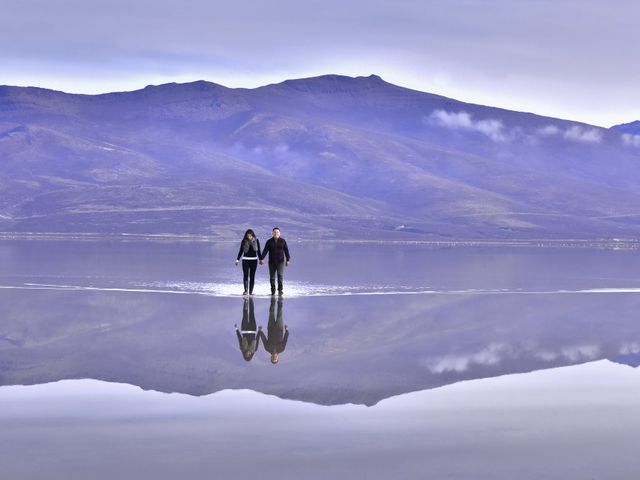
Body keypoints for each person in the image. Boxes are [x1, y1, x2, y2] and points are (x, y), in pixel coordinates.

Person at [259, 227, 290, 296]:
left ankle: (280, 290)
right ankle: (273, 290)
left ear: (280, 233)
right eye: (274, 232)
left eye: (277, 232)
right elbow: (265, 251)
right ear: (272, 233)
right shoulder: (269, 241)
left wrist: (287, 259)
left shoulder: (283, 241)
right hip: (271, 262)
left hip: (280, 262)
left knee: (280, 276)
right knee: (272, 278)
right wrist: (261, 258)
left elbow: (286, 251)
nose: (276, 233)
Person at [258, 296, 288, 364]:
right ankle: (280, 301)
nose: (274, 357)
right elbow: (285, 339)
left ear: (271, 358)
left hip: (270, 328)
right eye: (275, 359)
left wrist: (260, 331)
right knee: (279, 314)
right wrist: (286, 331)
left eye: (273, 359)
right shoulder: (281, 349)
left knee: (271, 312)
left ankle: (273, 300)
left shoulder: (267, 348)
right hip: (279, 328)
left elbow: (264, 340)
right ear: (278, 358)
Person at [235, 229, 261, 295]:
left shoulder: (256, 241)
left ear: (253, 235)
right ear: (246, 236)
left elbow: (258, 251)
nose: (249, 237)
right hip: (245, 260)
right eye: (248, 236)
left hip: (254, 260)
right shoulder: (243, 241)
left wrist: (261, 259)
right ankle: (246, 290)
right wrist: (237, 260)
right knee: (245, 275)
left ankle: (251, 292)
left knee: (252, 276)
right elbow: (241, 251)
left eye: (250, 236)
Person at [235, 297, 260, 362]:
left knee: (245, 314)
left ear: (244, 354)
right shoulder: (255, 349)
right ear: (251, 355)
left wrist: (236, 329)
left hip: (244, 329)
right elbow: (257, 339)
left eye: (246, 355)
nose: (248, 354)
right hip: (253, 330)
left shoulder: (242, 348)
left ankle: (246, 300)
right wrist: (259, 331)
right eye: (249, 355)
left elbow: (240, 339)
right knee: (252, 313)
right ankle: (251, 300)